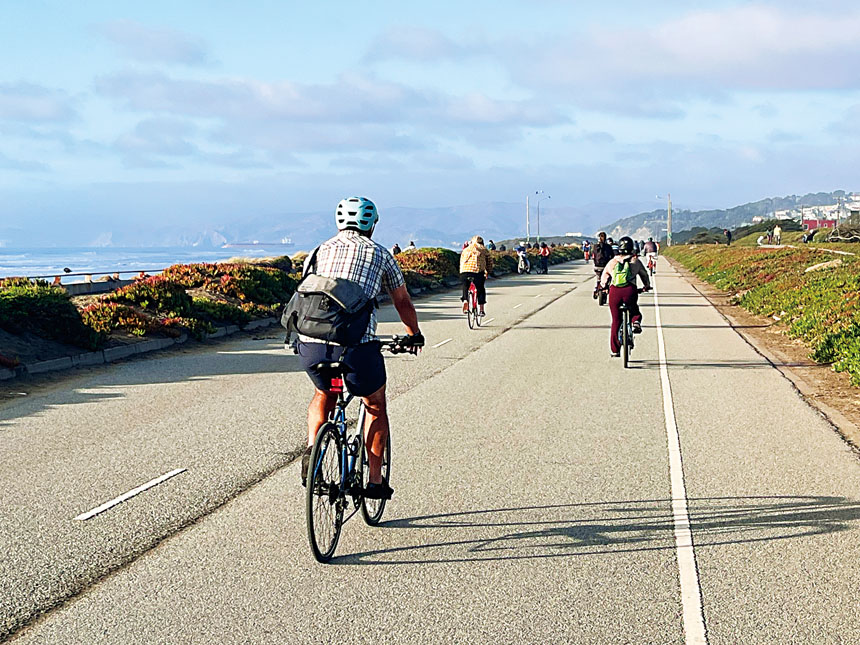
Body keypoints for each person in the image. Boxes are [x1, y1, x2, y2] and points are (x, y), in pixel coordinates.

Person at [296, 197, 423, 500]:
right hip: (355, 347)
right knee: (375, 403)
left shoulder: (316, 252)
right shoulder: (380, 254)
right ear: (372, 224)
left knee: (323, 393)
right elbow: (402, 300)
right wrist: (413, 333)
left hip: (311, 344)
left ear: (339, 222)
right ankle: (376, 481)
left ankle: (313, 453)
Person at [600, 236, 651, 357]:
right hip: (629, 291)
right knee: (634, 309)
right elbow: (644, 275)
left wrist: (604, 287)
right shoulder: (635, 261)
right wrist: (646, 286)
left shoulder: (612, 262)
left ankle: (615, 350)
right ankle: (635, 322)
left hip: (614, 293)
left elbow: (604, 276)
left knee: (616, 321)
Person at [460, 235, 490, 315]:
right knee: (480, 289)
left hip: (464, 271)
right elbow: (489, 263)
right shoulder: (484, 250)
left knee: (465, 286)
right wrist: (488, 272)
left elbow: (461, 262)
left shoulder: (466, 250)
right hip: (477, 272)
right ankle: (481, 309)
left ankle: (465, 300)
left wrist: (461, 272)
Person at [591, 231, 614, 297]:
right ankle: (606, 288)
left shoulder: (595, 246)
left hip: (597, 267)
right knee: (608, 278)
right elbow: (612, 256)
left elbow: (593, 256)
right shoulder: (608, 247)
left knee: (598, 279)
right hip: (606, 267)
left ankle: (596, 289)